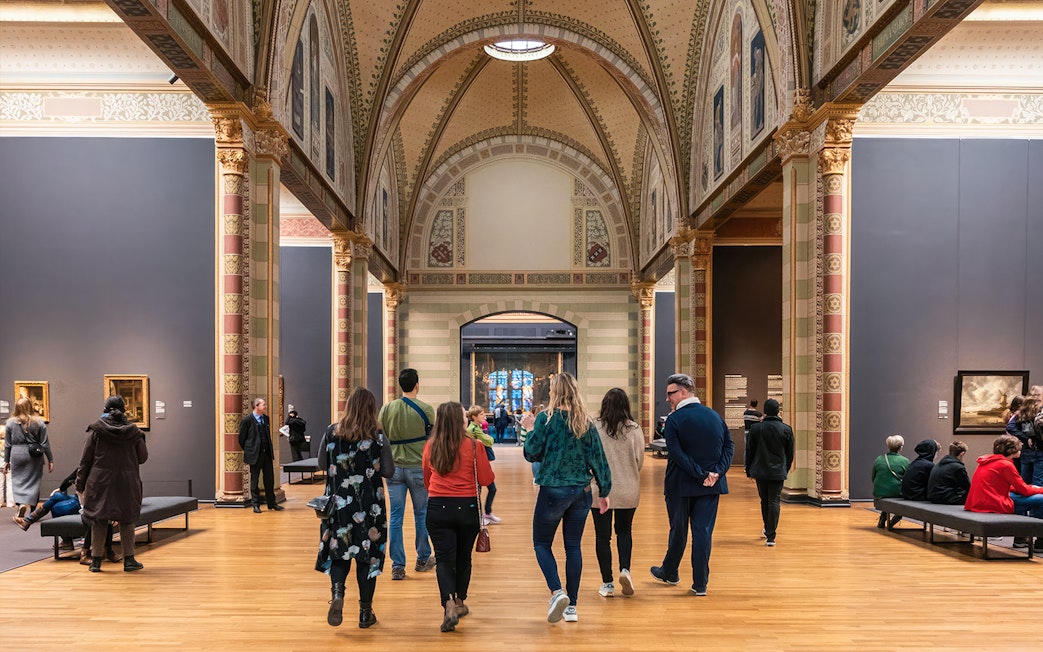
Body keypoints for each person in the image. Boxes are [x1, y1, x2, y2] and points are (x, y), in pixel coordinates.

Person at [522, 372, 611, 624]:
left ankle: (556, 591)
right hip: (581, 492)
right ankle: (572, 606)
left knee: (541, 543)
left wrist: (529, 429)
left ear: (556, 392)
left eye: (551, 389)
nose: (548, 392)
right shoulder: (586, 422)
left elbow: (531, 454)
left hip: (552, 490)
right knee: (573, 547)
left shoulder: (545, 420)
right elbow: (599, 460)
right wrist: (604, 492)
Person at [315, 387, 394, 629]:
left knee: (339, 551)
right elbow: (389, 471)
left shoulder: (331, 432)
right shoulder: (378, 437)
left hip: (338, 505)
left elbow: (320, 463)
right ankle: (365, 613)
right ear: (372, 408)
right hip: (370, 507)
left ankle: (338, 594)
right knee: (367, 558)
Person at [650, 373, 733, 597]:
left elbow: (676, 454)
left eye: (670, 393)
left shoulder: (674, 420)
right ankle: (700, 584)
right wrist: (716, 473)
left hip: (680, 486)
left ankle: (670, 571)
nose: (667, 398)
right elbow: (729, 446)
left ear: (684, 392)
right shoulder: (714, 416)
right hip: (710, 486)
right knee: (703, 532)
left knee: (678, 530)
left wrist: (700, 474)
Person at [423, 402, 494, 632]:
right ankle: (461, 600)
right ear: (459, 420)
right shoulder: (474, 446)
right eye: (464, 415)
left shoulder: (431, 446)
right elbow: (485, 479)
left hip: (437, 506)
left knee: (444, 560)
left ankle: (448, 603)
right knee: (463, 558)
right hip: (467, 508)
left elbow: (427, 479)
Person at [76, 396, 148, 572]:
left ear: (105, 409)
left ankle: (96, 561)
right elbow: (143, 458)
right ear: (124, 409)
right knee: (127, 519)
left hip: (100, 481)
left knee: (99, 520)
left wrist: (80, 483)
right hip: (126, 480)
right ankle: (129, 560)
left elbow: (85, 460)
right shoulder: (133, 432)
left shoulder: (96, 431)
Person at [378, 368, 436, 580]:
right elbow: (432, 439)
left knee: (395, 517)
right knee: (421, 514)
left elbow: (380, 436)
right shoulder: (426, 409)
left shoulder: (387, 409)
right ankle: (422, 558)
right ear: (417, 385)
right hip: (418, 467)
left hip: (393, 468)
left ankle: (397, 565)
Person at [590, 388, 644, 598]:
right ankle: (625, 570)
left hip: (600, 490)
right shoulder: (635, 429)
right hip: (629, 489)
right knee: (624, 531)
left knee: (603, 538)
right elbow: (639, 460)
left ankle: (607, 583)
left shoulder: (595, 427)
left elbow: (590, 458)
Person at [966, 434, 1043, 552]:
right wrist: (1040, 489)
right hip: (993, 503)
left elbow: (998, 484)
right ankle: (1040, 541)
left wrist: (1027, 488)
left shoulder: (987, 461)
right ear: (1012, 450)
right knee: (1040, 499)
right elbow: (1025, 490)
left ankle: (1021, 538)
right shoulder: (1006, 465)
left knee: (1020, 496)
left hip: (980, 501)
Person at [744, 398, 794, 547]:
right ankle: (771, 536)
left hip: (760, 470)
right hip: (778, 470)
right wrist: (786, 467)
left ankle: (767, 528)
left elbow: (750, 451)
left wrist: (749, 470)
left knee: (764, 500)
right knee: (774, 501)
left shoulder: (756, 429)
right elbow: (790, 453)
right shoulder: (786, 429)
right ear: (778, 411)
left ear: (765, 411)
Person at [4, 397, 53, 519]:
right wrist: (50, 459)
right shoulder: (38, 422)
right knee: (34, 482)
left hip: (16, 454)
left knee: (18, 481)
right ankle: (32, 510)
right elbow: (45, 444)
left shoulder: (10, 423)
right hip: (34, 456)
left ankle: (21, 505)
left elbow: (7, 445)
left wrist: (6, 460)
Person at [238, 398, 283, 514]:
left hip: (266, 454)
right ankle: (255, 504)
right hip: (255, 455)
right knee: (254, 481)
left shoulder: (266, 419)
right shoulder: (247, 420)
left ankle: (271, 503)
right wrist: (250, 450)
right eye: (263, 405)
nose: (265, 406)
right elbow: (241, 439)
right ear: (256, 406)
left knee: (269, 480)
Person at [465, 405, 500, 524]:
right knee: (478, 490)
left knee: (492, 489)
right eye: (481, 414)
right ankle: (479, 516)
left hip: (483, 463)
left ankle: (487, 513)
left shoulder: (478, 428)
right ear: (474, 417)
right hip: (477, 464)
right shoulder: (473, 430)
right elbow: (489, 441)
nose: (484, 416)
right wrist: (488, 438)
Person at [14, 469, 80, 530]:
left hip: (83, 502)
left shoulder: (86, 466)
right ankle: (28, 520)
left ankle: (66, 540)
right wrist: (61, 488)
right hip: (79, 497)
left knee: (56, 508)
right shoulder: (84, 466)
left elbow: (72, 477)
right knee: (57, 496)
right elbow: (70, 478)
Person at [871, 435, 909, 529]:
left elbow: (873, 477)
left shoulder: (879, 459)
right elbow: (908, 479)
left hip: (879, 492)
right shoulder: (905, 461)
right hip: (897, 493)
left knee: (888, 493)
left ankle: (882, 518)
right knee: (901, 501)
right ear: (901, 447)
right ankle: (891, 523)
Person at [927, 441, 971, 505]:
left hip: (933, 496)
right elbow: (967, 487)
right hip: (945, 497)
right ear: (962, 454)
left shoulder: (939, 464)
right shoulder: (958, 467)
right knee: (972, 498)